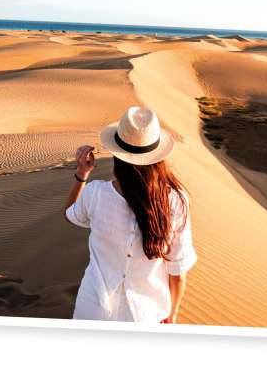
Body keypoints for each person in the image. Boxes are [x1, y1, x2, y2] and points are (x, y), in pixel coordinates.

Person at [64, 106, 197, 323]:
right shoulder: (175, 200)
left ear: (117, 155)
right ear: (157, 157)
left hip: (92, 310)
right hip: (144, 316)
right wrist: (172, 314)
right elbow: (178, 269)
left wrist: (82, 174)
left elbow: (69, 214)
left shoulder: (95, 193)